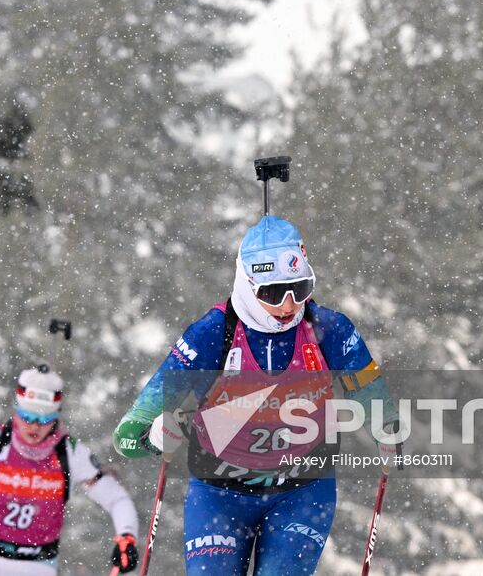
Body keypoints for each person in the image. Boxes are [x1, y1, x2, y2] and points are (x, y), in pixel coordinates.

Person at [114, 216, 399, 576]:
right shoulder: (211, 335)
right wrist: (153, 436)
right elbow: (126, 438)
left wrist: (387, 428)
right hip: (219, 494)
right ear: (247, 285)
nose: (288, 305)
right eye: (273, 293)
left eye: (299, 288)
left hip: (302, 492)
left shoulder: (329, 329)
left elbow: (371, 393)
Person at [0, 365, 141, 575]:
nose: (35, 426)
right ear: (17, 410)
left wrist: (127, 537)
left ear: (56, 417)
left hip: (36, 564)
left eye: (45, 419)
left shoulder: (70, 452)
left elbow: (117, 499)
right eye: (28, 416)